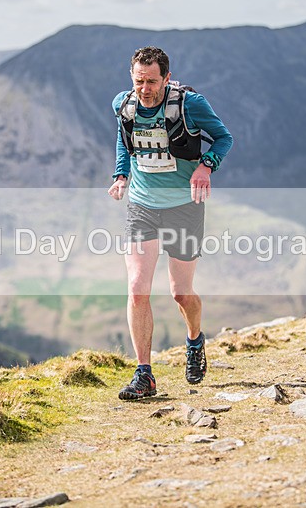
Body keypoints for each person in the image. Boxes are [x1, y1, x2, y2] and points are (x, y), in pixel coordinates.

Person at [108, 46, 233, 400]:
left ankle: (194, 340)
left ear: (166, 77)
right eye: (138, 81)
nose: (144, 89)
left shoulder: (190, 105)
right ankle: (144, 374)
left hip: (183, 207)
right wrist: (121, 175)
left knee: (181, 293)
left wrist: (207, 165)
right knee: (137, 288)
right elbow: (123, 137)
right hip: (142, 207)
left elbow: (224, 138)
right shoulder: (124, 104)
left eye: (151, 81)